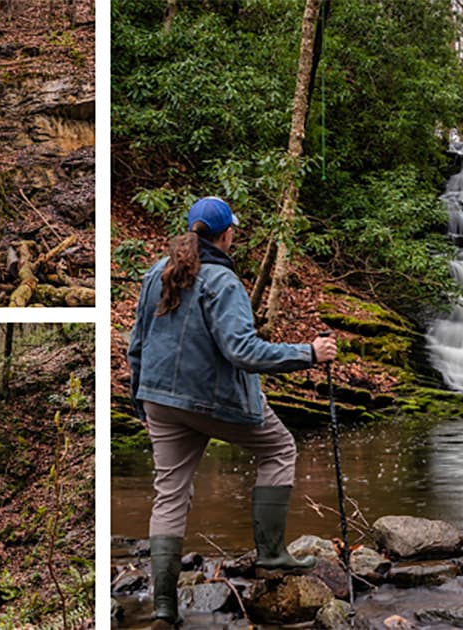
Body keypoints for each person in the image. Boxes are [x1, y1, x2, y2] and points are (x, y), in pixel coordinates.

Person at [127, 196, 338, 626]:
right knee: (279, 448)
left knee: (169, 494)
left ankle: (164, 606)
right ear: (227, 235)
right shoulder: (222, 282)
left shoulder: (154, 274)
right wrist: (309, 353)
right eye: (233, 231)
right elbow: (242, 351)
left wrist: (140, 402)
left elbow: (136, 346)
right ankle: (272, 555)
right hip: (212, 401)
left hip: (159, 400)